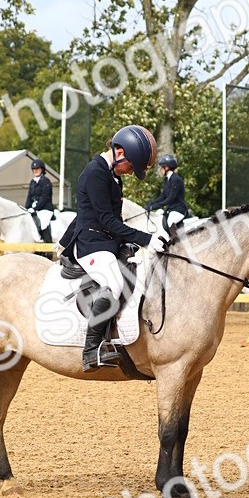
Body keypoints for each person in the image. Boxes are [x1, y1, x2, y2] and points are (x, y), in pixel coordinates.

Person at [59, 124, 170, 372]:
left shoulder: (113, 176)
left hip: (106, 241)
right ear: (120, 153)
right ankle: (91, 350)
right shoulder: (95, 173)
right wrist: (145, 238)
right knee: (115, 283)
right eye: (131, 167)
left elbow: (115, 220)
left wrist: (127, 243)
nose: (131, 173)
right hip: (90, 243)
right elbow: (105, 220)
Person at [146, 153, 187, 231]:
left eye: (162, 168)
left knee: (170, 222)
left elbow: (170, 199)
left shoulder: (176, 179)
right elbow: (163, 196)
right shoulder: (167, 179)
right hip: (170, 209)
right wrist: (151, 204)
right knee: (158, 216)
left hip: (178, 209)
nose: (161, 170)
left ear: (167, 167)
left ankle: (176, 242)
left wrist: (155, 206)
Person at [24, 157, 55, 244]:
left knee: (43, 223)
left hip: (45, 208)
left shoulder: (46, 181)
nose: (35, 171)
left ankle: (47, 246)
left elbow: (45, 197)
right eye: (34, 169)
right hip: (35, 208)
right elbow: (29, 196)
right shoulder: (32, 182)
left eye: (37, 169)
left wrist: (36, 208)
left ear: (42, 169)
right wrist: (26, 208)